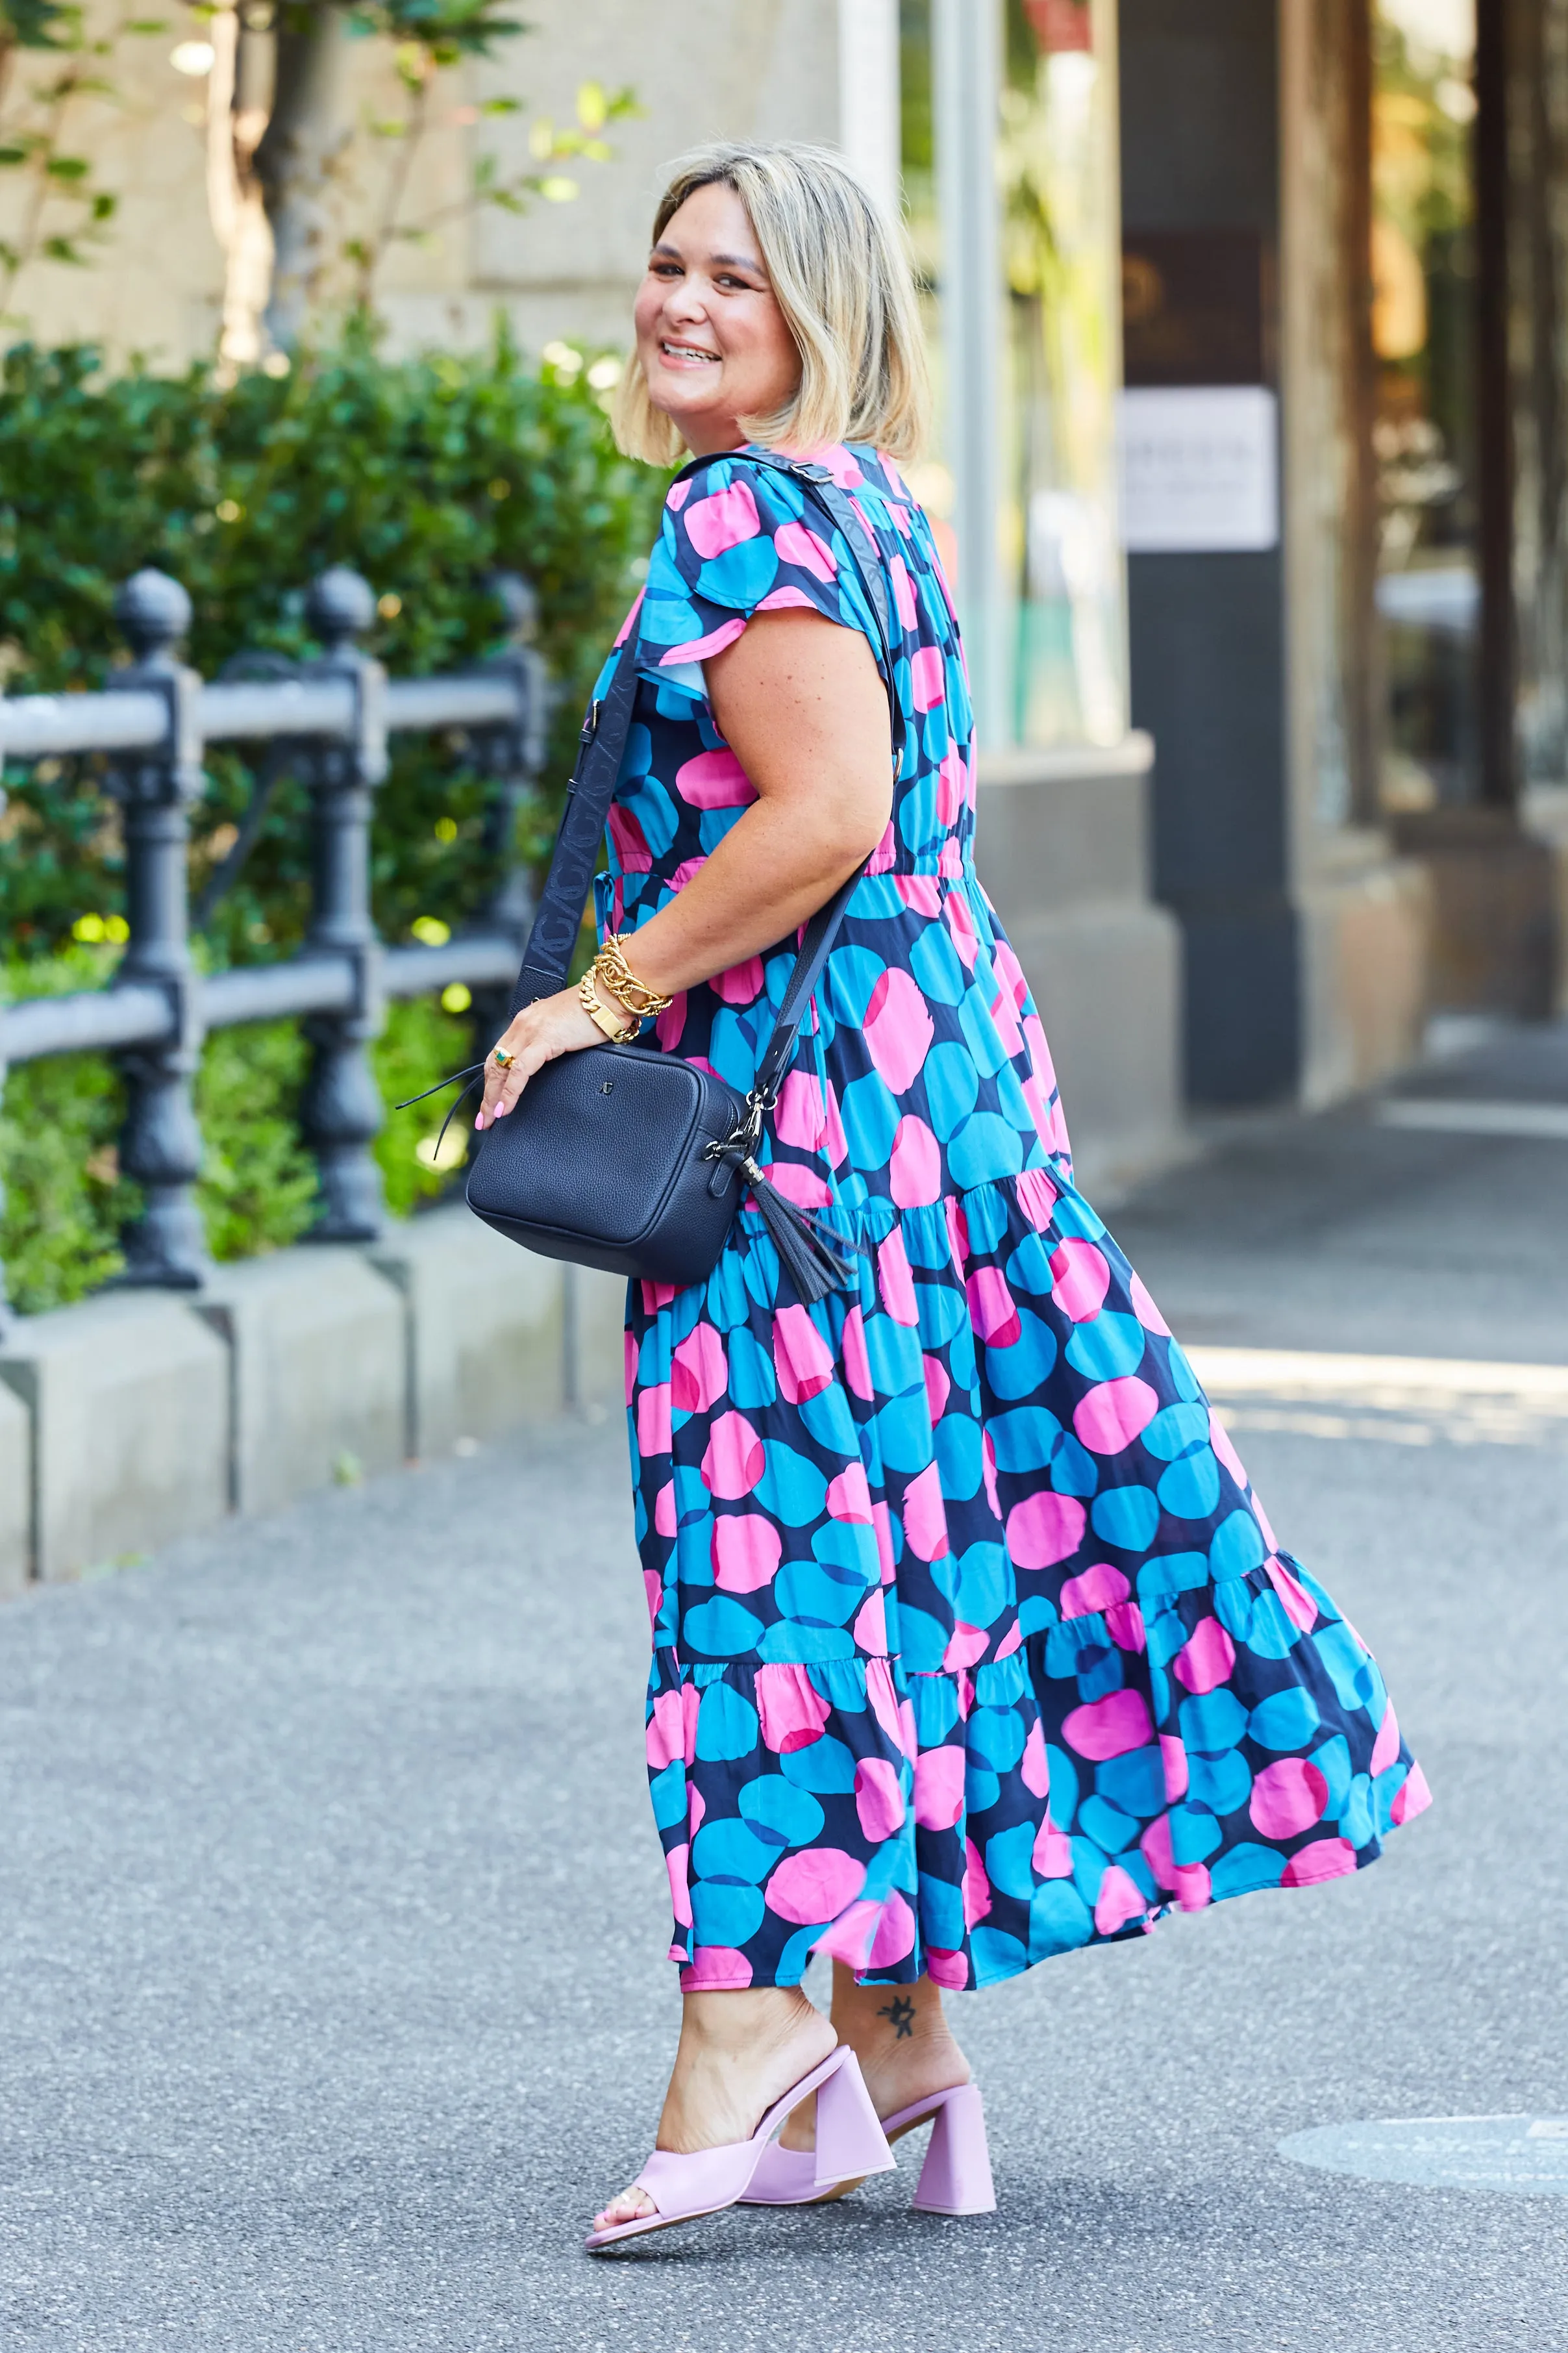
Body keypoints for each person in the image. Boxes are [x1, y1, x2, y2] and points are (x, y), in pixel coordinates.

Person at [475, 140, 1432, 2250]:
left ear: (825, 309)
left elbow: (816, 816)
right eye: (664, 265)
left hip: (802, 1125)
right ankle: (900, 2046)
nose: (680, 303)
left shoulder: (738, 514)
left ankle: (743, 2035)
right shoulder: (871, 509)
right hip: (932, 1092)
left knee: (771, 1544)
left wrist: (595, 997)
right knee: (905, 1524)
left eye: (735, 275)